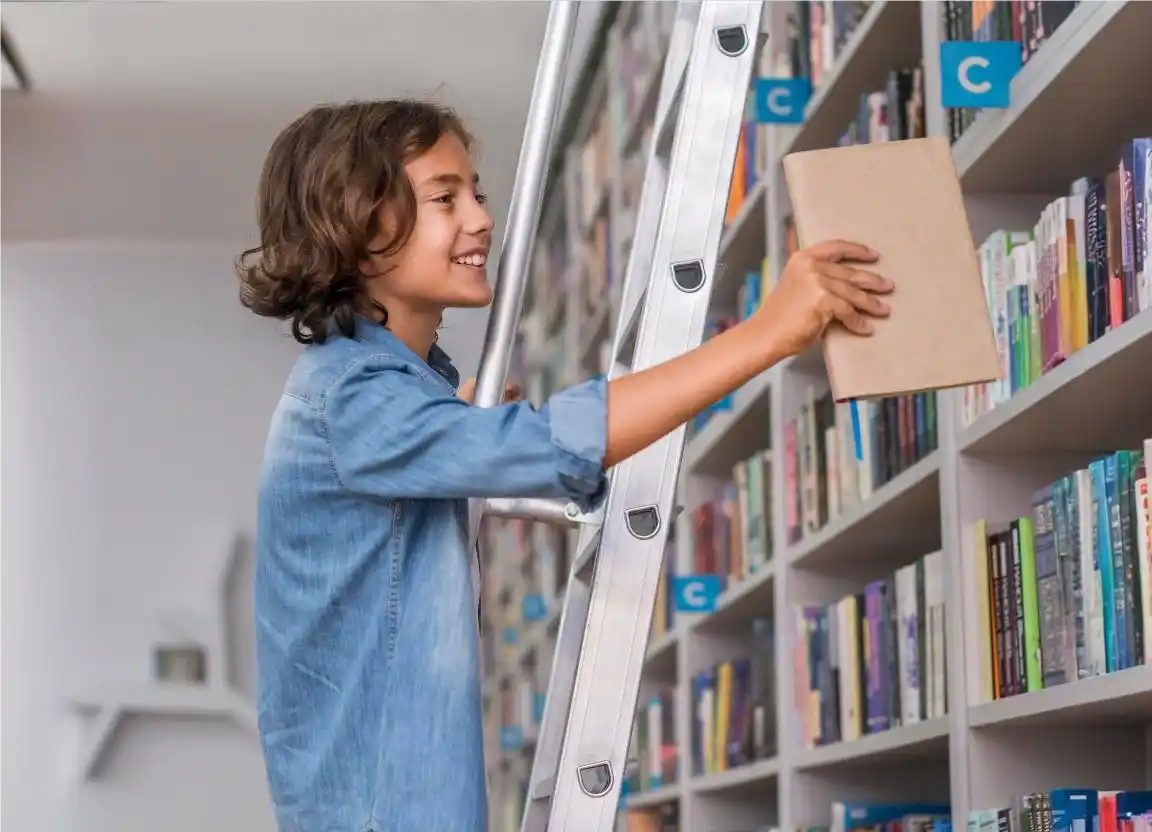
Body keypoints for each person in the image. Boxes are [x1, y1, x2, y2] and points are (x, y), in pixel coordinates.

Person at [236, 98, 892, 832]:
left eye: (476, 193)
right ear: (357, 227)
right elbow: (555, 443)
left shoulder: (386, 398)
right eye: (444, 198)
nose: (482, 219)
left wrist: (459, 427)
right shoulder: (350, 401)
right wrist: (769, 333)